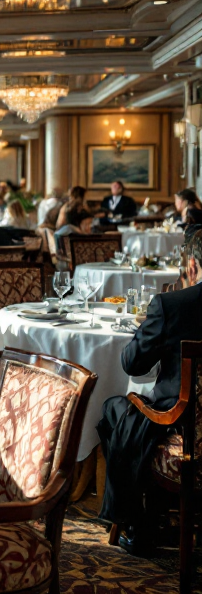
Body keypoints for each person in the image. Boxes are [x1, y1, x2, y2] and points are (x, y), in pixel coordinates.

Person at [98, 231, 202, 556]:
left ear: (192, 265)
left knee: (114, 409)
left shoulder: (172, 305)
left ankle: (139, 523)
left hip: (183, 424)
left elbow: (133, 363)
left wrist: (149, 327)